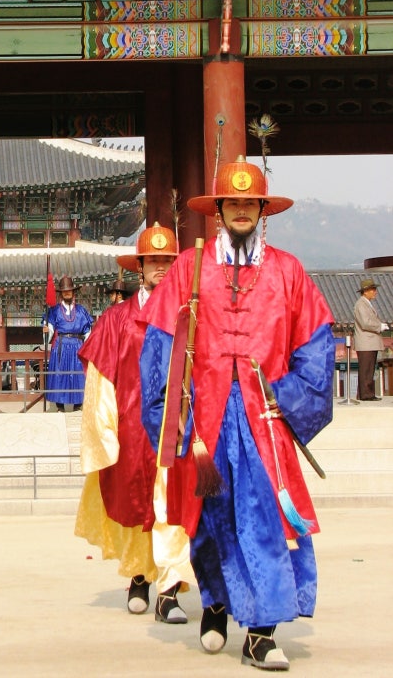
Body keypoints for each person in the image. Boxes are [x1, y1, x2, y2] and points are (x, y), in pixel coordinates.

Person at [140, 157, 335, 671]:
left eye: (252, 203)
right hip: (204, 422)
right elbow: (160, 343)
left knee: (268, 521)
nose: (242, 210)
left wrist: (286, 395)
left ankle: (262, 631)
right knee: (209, 521)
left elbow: (316, 348)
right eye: (234, 202)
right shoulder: (189, 267)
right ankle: (217, 604)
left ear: (262, 210)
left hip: (262, 423)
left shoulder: (287, 272)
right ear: (220, 209)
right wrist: (165, 415)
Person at [75, 223, 194, 623]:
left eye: (167, 261)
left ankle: (169, 590)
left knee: (171, 508)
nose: (161, 268)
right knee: (137, 506)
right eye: (153, 261)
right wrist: (102, 431)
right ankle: (140, 575)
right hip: (132, 429)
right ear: (138, 267)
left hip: (177, 428)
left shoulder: (189, 316)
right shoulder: (117, 319)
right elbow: (101, 379)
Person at [43, 276, 94, 412]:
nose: (67, 293)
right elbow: (50, 330)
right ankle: (60, 406)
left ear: (73, 292)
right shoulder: (54, 311)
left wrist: (88, 348)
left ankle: (78, 405)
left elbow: (88, 331)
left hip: (78, 345)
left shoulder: (82, 310)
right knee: (60, 374)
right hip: (61, 345)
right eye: (64, 291)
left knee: (77, 374)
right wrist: (47, 331)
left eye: (69, 291)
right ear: (61, 293)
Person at [353, 277, 389, 401]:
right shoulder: (361, 304)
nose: (375, 292)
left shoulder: (366, 304)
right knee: (366, 369)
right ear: (366, 291)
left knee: (369, 369)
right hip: (366, 342)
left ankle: (366, 393)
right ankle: (366, 394)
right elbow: (365, 323)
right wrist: (379, 326)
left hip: (369, 342)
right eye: (373, 289)